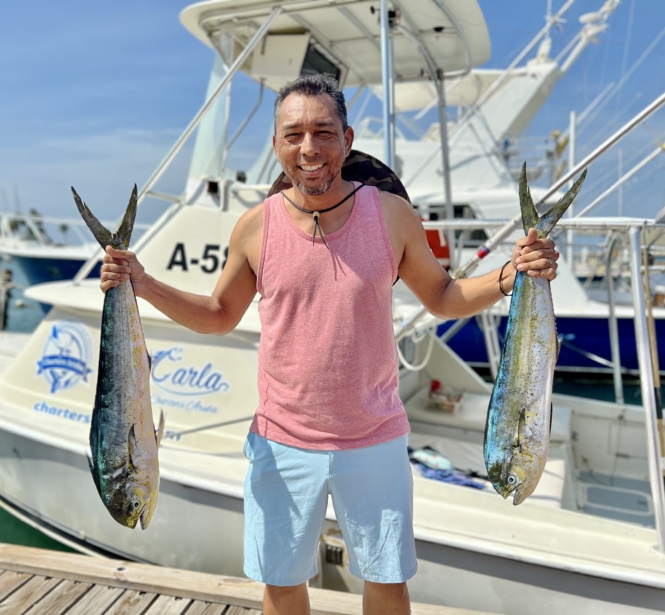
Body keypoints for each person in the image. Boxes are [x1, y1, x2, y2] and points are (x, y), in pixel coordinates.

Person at [100, 74, 560, 615]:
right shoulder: (254, 227)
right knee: (281, 582)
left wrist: (513, 273)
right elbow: (220, 316)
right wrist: (143, 282)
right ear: (276, 145)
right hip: (282, 437)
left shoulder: (391, 215)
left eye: (323, 132)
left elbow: (443, 296)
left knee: (387, 582)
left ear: (346, 137)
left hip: (375, 435)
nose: (309, 148)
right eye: (293, 134)